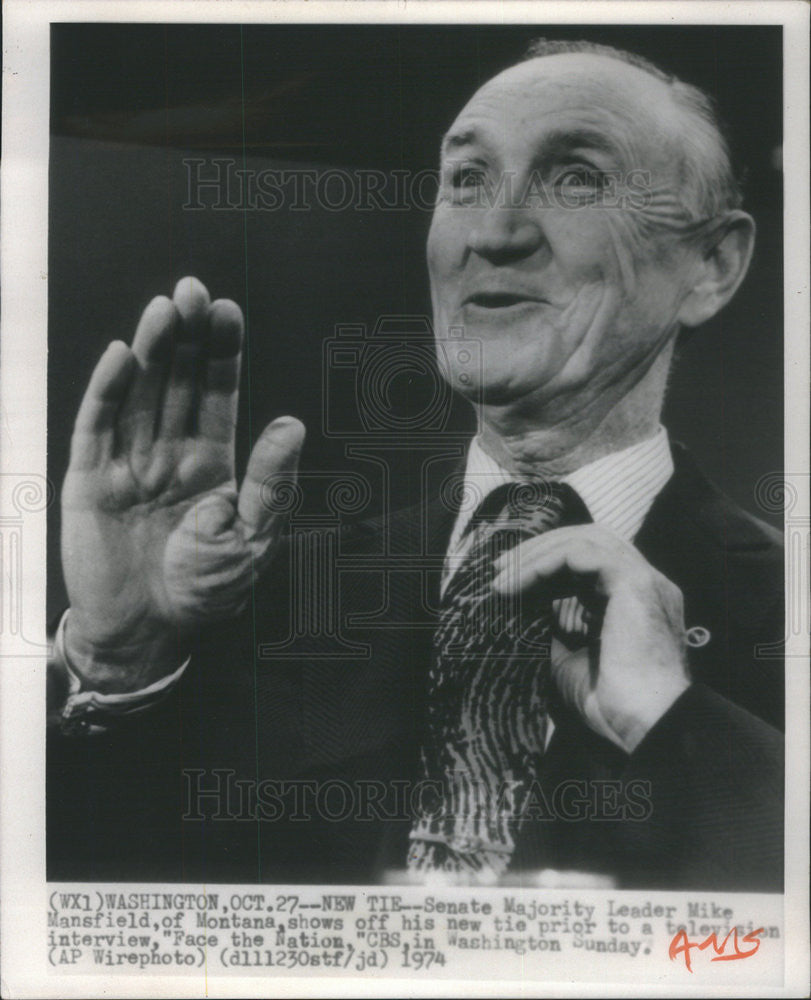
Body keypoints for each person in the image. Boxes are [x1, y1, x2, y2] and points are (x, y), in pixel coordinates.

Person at [47, 40, 783, 890]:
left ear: (713, 265)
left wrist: (670, 720)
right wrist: (120, 661)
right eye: (467, 180)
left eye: (576, 178)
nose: (493, 233)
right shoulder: (263, 599)